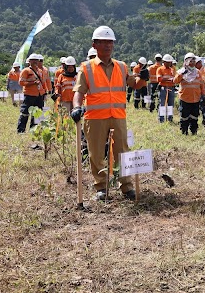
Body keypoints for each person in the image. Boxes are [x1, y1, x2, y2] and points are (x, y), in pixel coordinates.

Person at [70, 25, 139, 200]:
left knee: (122, 151)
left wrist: (143, 77)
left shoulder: (122, 67)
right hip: (95, 118)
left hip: (118, 116)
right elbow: (78, 92)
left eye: (110, 42)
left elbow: (135, 84)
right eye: (104, 42)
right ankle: (101, 187)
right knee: (96, 153)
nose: (108, 46)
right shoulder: (86, 68)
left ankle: (126, 186)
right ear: (95, 44)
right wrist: (77, 107)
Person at [173, 53, 205, 135]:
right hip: (185, 98)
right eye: (191, 61)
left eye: (194, 60)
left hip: (196, 98)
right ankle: (184, 131)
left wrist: (203, 95)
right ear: (186, 61)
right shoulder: (181, 71)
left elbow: (201, 84)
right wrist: (182, 74)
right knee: (184, 116)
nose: (193, 62)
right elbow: (175, 81)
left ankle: (194, 131)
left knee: (194, 116)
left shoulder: (198, 72)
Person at [17, 53, 48, 133]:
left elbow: (43, 83)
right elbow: (21, 82)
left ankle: (34, 130)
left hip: (39, 95)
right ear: (29, 61)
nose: (35, 62)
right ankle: (21, 130)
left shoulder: (40, 71)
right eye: (33, 60)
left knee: (38, 113)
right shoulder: (26, 71)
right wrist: (32, 83)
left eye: (36, 60)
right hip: (29, 95)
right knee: (25, 112)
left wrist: (45, 92)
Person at [156, 54, 176, 123]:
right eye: (168, 62)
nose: (169, 63)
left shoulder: (172, 69)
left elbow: (175, 79)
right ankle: (161, 119)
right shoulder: (160, 69)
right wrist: (168, 79)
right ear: (164, 62)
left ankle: (170, 119)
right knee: (162, 104)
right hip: (163, 88)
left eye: (170, 62)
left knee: (170, 104)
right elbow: (159, 79)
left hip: (171, 88)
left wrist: (166, 78)